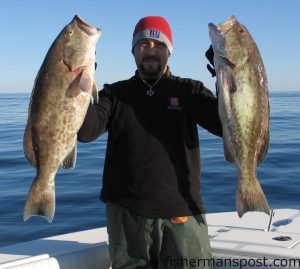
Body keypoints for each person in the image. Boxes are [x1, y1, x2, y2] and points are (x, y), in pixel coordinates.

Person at [78, 15, 222, 269]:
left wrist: (225, 72)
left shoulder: (189, 90)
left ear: (170, 50)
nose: (151, 51)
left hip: (182, 213)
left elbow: (224, 125)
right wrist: (79, 83)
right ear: (133, 50)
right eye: (143, 44)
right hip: (126, 216)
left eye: (159, 45)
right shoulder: (115, 94)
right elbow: (86, 132)